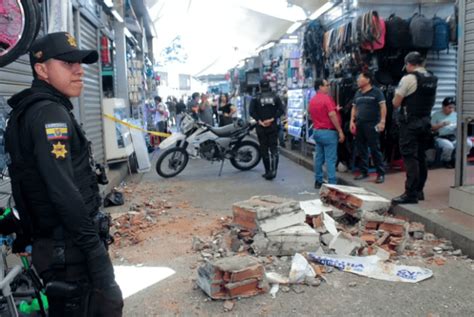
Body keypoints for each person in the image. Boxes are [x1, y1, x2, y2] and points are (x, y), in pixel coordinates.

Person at [4, 32, 123, 316]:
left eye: (80, 63)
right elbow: (62, 190)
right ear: (41, 69)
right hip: (71, 251)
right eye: (67, 63)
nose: (79, 70)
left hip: (56, 249)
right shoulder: (49, 115)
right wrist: (95, 255)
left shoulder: (29, 110)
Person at [392, 51, 438, 204]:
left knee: (410, 158)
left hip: (411, 124)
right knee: (421, 156)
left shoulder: (409, 78)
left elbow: (396, 103)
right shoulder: (431, 78)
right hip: (426, 122)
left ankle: (410, 194)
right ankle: (419, 191)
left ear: (409, 64)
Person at [350, 71, 387, 184]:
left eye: (359, 78)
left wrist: (382, 121)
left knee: (375, 149)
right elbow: (354, 108)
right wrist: (352, 121)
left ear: (367, 80)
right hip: (359, 124)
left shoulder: (377, 92)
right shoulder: (358, 93)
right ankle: (364, 172)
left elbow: (383, 107)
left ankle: (380, 174)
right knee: (361, 149)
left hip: (372, 125)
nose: (357, 80)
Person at [309, 79, 345, 189]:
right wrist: (340, 130)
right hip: (329, 132)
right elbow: (332, 115)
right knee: (330, 159)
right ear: (320, 87)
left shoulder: (312, 100)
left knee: (319, 157)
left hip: (317, 131)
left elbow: (311, 115)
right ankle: (332, 183)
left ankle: (318, 180)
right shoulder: (327, 99)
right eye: (326, 85)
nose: (328, 87)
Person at [249, 79, 284, 180]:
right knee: (274, 149)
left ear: (259, 86)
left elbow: (251, 111)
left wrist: (260, 121)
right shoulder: (275, 96)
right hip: (273, 126)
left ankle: (268, 171)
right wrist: (272, 119)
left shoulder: (255, 97)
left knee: (264, 149)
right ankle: (274, 171)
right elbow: (281, 110)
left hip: (261, 127)